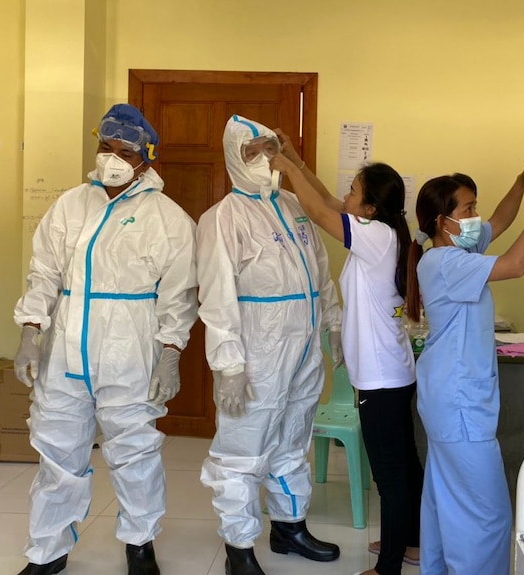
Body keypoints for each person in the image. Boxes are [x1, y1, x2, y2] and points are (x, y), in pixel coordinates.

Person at [12, 103, 198, 575]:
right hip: (66, 350)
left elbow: (178, 296)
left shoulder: (168, 218)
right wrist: (31, 331)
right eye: (104, 147)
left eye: (123, 151)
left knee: (134, 451)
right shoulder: (70, 205)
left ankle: (140, 544)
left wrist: (171, 352)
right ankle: (47, 552)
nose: (110, 159)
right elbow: (44, 274)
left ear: (145, 160)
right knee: (56, 452)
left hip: (130, 350)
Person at [196, 115, 343, 575]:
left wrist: (333, 325)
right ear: (232, 157)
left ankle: (289, 526)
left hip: (302, 345)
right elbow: (216, 296)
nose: (263, 159)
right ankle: (238, 549)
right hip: (257, 348)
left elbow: (321, 272)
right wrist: (229, 365)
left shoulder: (296, 205)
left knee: (294, 436)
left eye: (268, 148)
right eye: (251, 151)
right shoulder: (222, 218)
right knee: (243, 448)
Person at [271, 135, 423, 575]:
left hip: (380, 378)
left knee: (391, 476)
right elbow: (327, 201)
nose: (347, 196)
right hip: (391, 374)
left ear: (371, 208)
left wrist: (285, 167)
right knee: (405, 466)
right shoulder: (385, 232)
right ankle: (410, 543)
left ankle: (389, 565)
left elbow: (318, 212)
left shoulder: (374, 237)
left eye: (354, 191)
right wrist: (295, 160)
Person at [405, 164, 524, 575]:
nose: (476, 217)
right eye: (468, 209)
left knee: (445, 500)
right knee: (486, 515)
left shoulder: (453, 250)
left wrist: (521, 184)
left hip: (449, 396)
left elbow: (499, 223)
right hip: (459, 405)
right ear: (443, 221)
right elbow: (514, 264)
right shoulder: (445, 263)